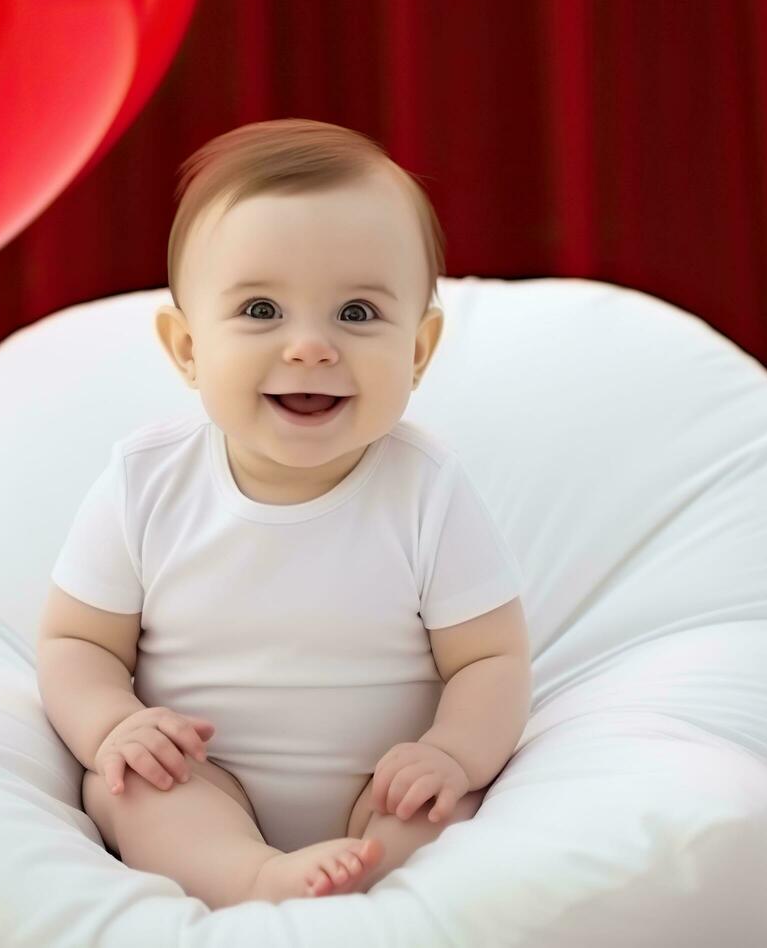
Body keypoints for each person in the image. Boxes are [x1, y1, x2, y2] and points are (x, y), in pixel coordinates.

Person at [39, 118, 531, 909]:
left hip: (383, 784)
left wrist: (450, 754)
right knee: (131, 790)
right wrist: (112, 726)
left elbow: (491, 660)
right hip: (202, 777)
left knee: (444, 815)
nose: (310, 347)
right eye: (262, 310)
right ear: (187, 348)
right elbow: (75, 642)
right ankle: (253, 880)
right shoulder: (145, 480)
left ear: (419, 350)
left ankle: (371, 887)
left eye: (359, 314)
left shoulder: (427, 489)